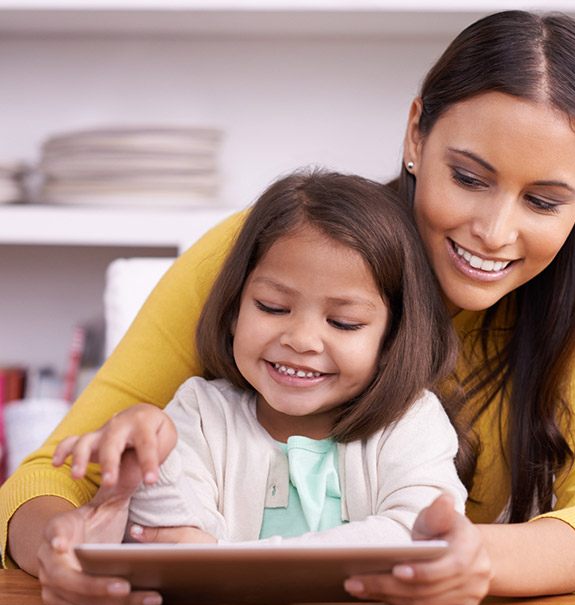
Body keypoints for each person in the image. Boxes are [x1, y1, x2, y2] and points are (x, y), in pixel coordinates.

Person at [0, 9, 575, 605]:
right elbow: (48, 477)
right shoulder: (267, 256)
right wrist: (57, 550)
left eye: (542, 201)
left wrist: (474, 558)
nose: (494, 230)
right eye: (469, 177)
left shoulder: (574, 298)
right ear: (417, 133)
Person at [51, 170, 467, 552]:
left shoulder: (411, 422)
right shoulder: (201, 412)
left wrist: (225, 556)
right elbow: (171, 538)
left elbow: (417, 534)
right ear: (234, 309)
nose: (302, 340)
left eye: (343, 322)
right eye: (271, 307)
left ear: (392, 338)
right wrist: (145, 462)